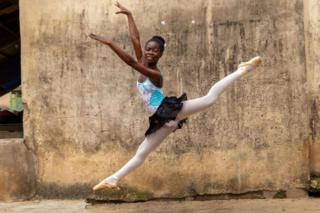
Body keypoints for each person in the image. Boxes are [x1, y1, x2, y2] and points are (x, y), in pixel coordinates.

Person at [89, 1, 262, 191]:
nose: (150, 52)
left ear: (161, 55)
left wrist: (110, 43)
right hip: (161, 119)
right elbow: (135, 39)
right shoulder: (143, 60)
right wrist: (129, 15)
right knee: (142, 153)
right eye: (149, 49)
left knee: (209, 99)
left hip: (167, 110)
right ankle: (113, 179)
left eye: (155, 51)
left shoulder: (155, 75)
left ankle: (242, 69)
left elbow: (131, 62)